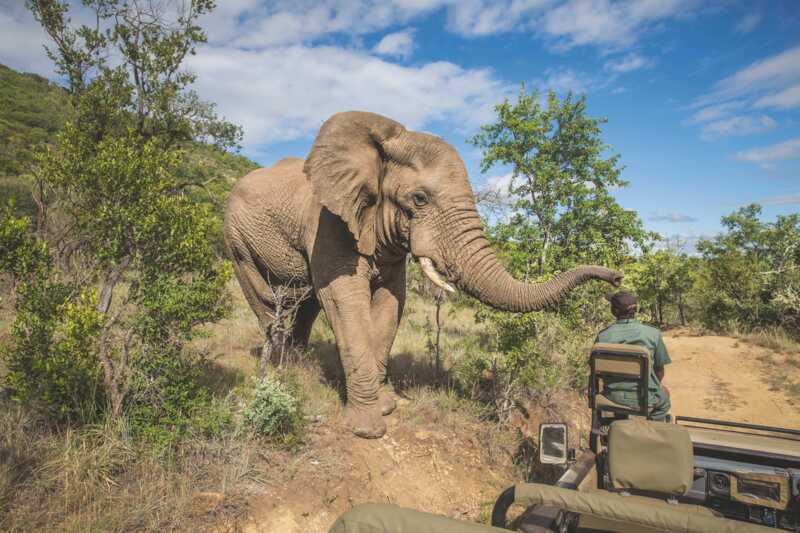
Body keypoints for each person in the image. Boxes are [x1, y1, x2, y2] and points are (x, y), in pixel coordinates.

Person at [595, 291, 671, 421]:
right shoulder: (653, 334)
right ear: (635, 310)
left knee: (619, 400)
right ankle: (654, 429)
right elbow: (659, 370)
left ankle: (620, 425)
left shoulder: (602, 336)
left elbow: (598, 372)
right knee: (664, 400)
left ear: (614, 311)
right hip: (645, 397)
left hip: (612, 397)